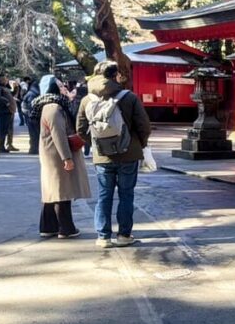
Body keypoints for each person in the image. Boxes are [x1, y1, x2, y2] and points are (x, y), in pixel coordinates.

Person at [78, 61, 151, 248]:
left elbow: (80, 129)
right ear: (115, 75)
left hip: (102, 156)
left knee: (104, 195)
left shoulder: (87, 100)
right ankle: (124, 235)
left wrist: (96, 142)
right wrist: (140, 145)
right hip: (129, 153)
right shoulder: (129, 97)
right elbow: (144, 126)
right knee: (126, 195)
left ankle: (103, 236)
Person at [33, 75, 89, 237]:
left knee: (53, 190)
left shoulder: (49, 105)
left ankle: (48, 227)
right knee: (61, 191)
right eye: (60, 85)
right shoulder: (53, 107)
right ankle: (66, 228)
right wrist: (67, 158)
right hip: (57, 155)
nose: (64, 87)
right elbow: (58, 134)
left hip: (52, 153)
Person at [0, 76, 18, 153]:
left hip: (9, 111)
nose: (6, 80)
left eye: (6, 79)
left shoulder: (5, 88)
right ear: (0, 80)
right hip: (3, 111)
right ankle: (0, 147)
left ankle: (8, 145)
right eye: (4, 79)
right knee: (2, 130)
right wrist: (7, 102)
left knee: (8, 129)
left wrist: (16, 88)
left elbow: (11, 95)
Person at [22, 77, 41, 154]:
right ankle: (34, 149)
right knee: (34, 133)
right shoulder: (33, 94)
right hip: (31, 116)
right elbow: (31, 106)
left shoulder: (32, 92)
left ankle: (34, 148)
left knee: (34, 133)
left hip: (30, 115)